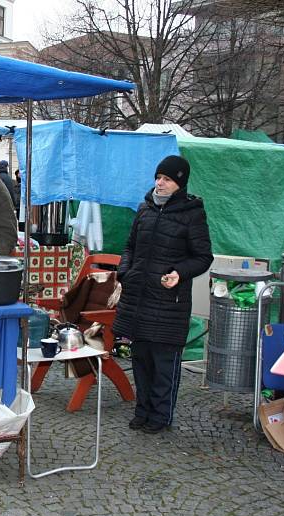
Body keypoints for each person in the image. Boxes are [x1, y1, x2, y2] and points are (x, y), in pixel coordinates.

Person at [113, 155, 212, 434]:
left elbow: (203, 257)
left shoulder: (192, 213)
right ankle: (142, 411)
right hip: (139, 299)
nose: (160, 183)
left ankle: (160, 416)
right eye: (158, 177)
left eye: (167, 179)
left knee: (164, 363)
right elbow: (130, 246)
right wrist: (125, 272)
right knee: (141, 359)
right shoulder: (144, 209)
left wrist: (179, 272)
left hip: (170, 302)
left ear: (179, 184)